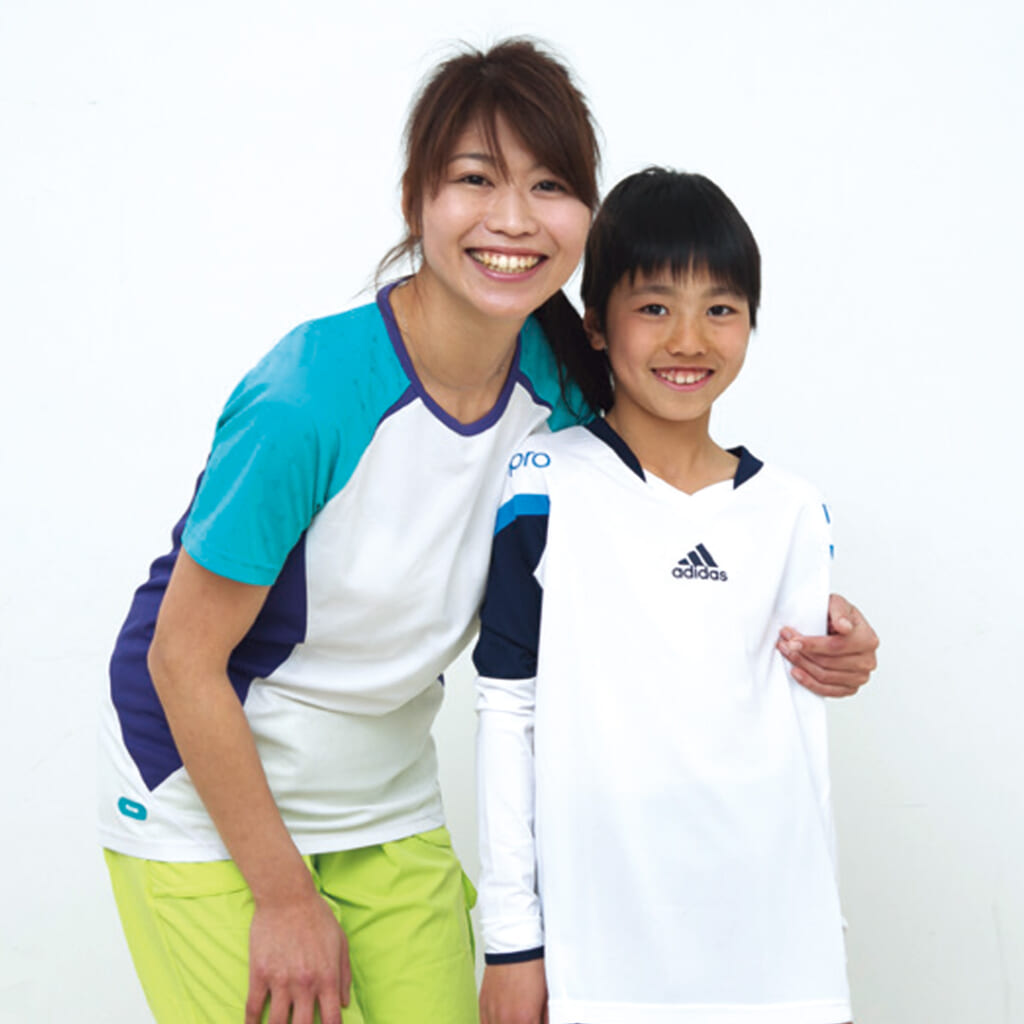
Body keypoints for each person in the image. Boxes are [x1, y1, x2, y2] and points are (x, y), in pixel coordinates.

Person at [99, 40, 875, 1024]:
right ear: (416, 199)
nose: (513, 220)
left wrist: (811, 615)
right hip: (201, 801)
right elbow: (180, 658)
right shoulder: (311, 392)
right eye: (475, 178)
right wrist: (284, 898)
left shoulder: (565, 379)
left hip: (384, 800)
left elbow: (666, 514)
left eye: (549, 185)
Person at [475, 168, 857, 1024]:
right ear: (595, 324)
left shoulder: (796, 511)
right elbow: (507, 709)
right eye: (654, 307)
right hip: (602, 958)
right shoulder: (542, 484)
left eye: (720, 308)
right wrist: (511, 941)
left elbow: (802, 729)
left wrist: (824, 930)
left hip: (780, 955)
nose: (689, 339)